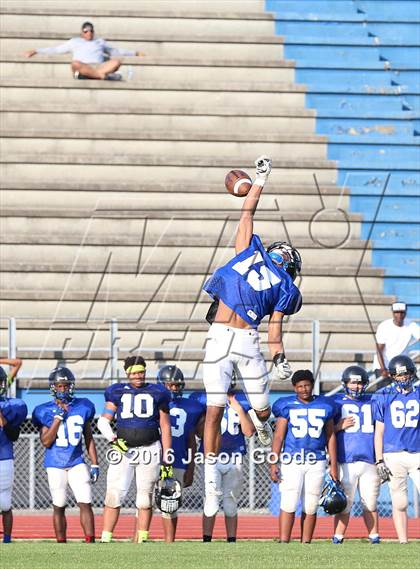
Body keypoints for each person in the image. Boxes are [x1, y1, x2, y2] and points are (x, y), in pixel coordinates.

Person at [202, 155, 302, 469]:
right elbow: (247, 211)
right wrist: (259, 179)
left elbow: (275, 329)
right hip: (221, 336)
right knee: (214, 408)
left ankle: (262, 424)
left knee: (261, 410)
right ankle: (210, 469)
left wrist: (279, 358)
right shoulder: (253, 254)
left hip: (244, 340)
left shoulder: (278, 279)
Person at [98, 355, 172, 544]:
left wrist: (167, 456)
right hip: (123, 451)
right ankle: (105, 539)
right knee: (113, 494)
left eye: (141, 371)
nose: (139, 375)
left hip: (150, 448)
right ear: (127, 374)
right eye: (135, 372)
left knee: (145, 498)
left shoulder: (158, 392)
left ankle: (142, 539)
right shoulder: (117, 391)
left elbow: (165, 426)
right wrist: (113, 439)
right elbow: (104, 421)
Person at [270, 369, 338, 543]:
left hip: (317, 460)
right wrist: (273, 463)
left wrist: (334, 466)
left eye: (307, 385)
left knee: (311, 503)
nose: (304, 389)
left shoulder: (326, 405)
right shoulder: (286, 405)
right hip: (292, 459)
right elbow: (278, 436)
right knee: (289, 501)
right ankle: (284, 541)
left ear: (312, 385)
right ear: (294, 387)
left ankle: (306, 542)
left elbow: (330, 436)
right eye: (300, 386)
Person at [32, 366, 98, 543]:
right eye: (59, 386)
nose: (63, 389)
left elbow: (89, 437)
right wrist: (57, 419)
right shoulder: (43, 410)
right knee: (59, 505)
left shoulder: (84, 406)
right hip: (54, 463)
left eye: (66, 385)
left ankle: (90, 541)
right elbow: (46, 441)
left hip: (77, 461)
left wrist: (95, 463)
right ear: (53, 387)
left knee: (85, 501)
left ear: (72, 386)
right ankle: (61, 543)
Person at [190, 380, 255, 543]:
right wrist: (207, 417)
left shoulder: (242, 399)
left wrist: (239, 409)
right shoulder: (203, 399)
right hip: (212, 457)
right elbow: (199, 432)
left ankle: (231, 540)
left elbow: (248, 432)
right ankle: (206, 540)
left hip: (234, 456)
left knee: (230, 502)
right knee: (211, 500)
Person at [373, 354, 419, 544]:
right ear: (392, 376)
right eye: (399, 375)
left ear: (412, 373)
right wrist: (379, 459)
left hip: (417, 452)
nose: (403, 378)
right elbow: (379, 431)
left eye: (406, 374)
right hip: (393, 454)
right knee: (399, 501)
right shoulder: (383, 395)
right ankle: (403, 541)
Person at [156, 365, 205, 543]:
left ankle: (170, 542)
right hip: (152, 460)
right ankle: (139, 538)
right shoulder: (151, 403)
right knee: (144, 502)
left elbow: (192, 440)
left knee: (170, 503)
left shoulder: (192, 407)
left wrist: (191, 468)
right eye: (170, 385)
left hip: (176, 461)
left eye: (177, 385)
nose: (174, 389)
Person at [332, 366, 381, 544]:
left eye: (360, 383)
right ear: (345, 383)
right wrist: (338, 427)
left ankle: (374, 536)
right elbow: (325, 432)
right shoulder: (336, 402)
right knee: (344, 503)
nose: (357, 386)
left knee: (370, 502)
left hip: (369, 460)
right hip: (346, 460)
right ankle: (338, 537)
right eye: (353, 382)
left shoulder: (373, 402)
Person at [24, 21, 145, 80]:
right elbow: (56, 50)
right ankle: (102, 77)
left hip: (99, 67)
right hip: (83, 67)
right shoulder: (75, 41)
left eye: (91, 30)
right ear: (82, 32)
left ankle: (96, 75)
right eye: (86, 31)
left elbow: (115, 51)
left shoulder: (100, 42)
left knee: (117, 62)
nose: (89, 33)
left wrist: (135, 53)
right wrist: (36, 50)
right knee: (75, 63)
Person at [0, 358, 26, 543]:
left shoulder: (12, 405)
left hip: (3, 457)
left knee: (4, 503)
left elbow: (16, 363)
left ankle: (7, 539)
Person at [374, 302, 419, 380]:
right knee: (386, 391)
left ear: (405, 313)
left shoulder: (411, 325)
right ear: (393, 313)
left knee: (415, 388)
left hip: (402, 365)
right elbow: (379, 350)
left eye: (402, 312)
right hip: (384, 366)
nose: (399, 315)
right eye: (396, 312)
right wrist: (383, 368)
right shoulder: (384, 326)